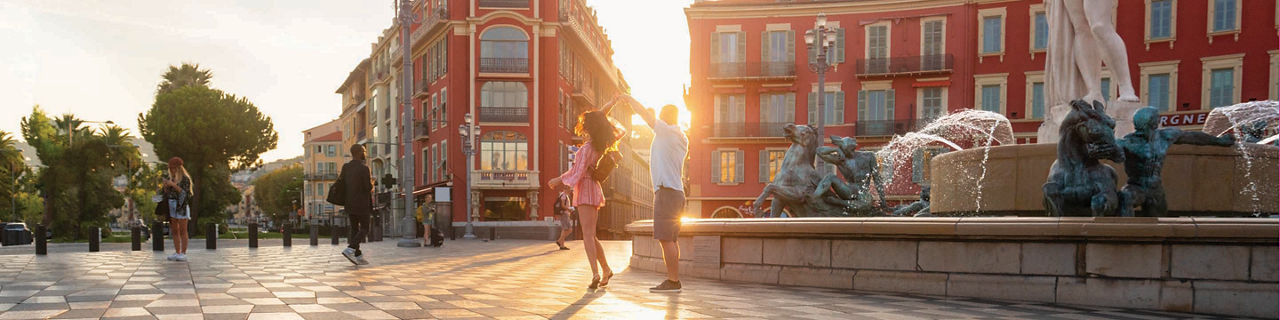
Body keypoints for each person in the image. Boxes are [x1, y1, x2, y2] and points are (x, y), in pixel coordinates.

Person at [548, 97, 626, 289]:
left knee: (588, 235)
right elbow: (601, 118)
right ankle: (606, 269)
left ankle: (595, 273)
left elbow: (577, 172)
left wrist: (557, 180)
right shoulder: (601, 144)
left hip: (585, 189)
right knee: (591, 234)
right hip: (594, 189)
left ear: (589, 128)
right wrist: (611, 103)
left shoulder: (586, 149)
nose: (582, 127)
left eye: (584, 125)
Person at [621, 95, 689, 293]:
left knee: (665, 239)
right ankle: (674, 280)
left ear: (663, 118)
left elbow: (644, 115)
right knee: (672, 240)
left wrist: (628, 99)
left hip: (666, 192)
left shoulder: (666, 132)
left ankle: (673, 281)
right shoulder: (680, 136)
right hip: (676, 192)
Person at [339, 144, 374, 265]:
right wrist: (372, 182)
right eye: (364, 151)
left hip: (349, 203)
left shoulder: (346, 167)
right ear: (360, 153)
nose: (365, 153)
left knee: (354, 229)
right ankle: (350, 249)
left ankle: (358, 255)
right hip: (362, 204)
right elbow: (367, 187)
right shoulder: (364, 168)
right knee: (365, 228)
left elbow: (342, 183)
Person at [162, 157, 193, 262]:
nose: (171, 170)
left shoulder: (185, 179)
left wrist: (174, 186)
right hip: (172, 204)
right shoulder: (171, 178)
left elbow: (186, 193)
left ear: (178, 168)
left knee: (183, 230)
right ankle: (177, 251)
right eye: (170, 168)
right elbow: (168, 193)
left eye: (173, 168)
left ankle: (183, 253)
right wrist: (166, 186)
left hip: (182, 205)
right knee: (174, 230)